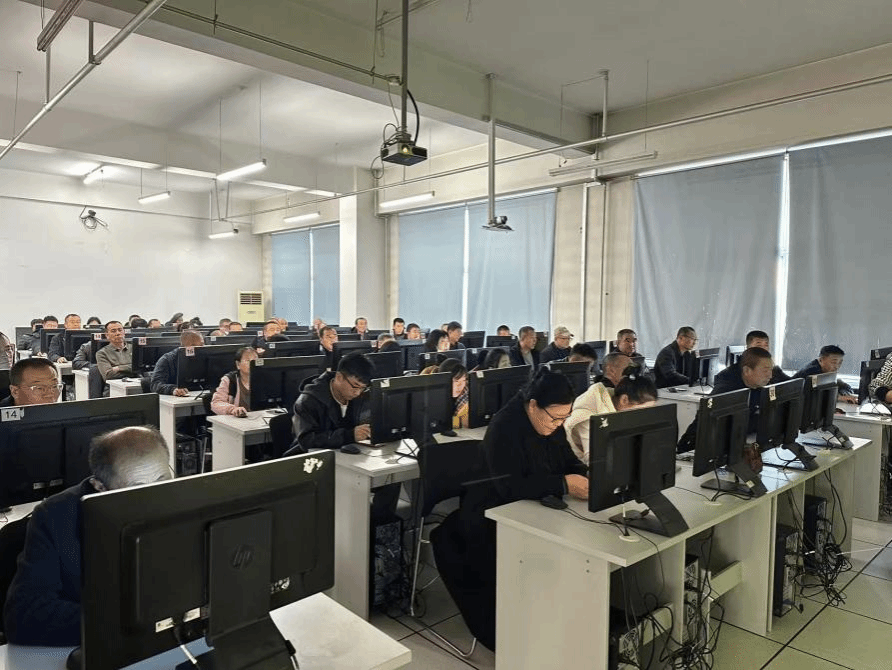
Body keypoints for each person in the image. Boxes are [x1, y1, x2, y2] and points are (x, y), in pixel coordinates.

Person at [2, 426, 171, 646]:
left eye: (162, 481)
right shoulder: (56, 517)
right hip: (101, 647)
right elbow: (23, 616)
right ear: (99, 487)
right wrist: (126, 620)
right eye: (136, 489)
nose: (155, 501)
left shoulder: (185, 499)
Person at [678, 347, 776, 454]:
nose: (770, 375)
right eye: (765, 370)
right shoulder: (726, 391)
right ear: (747, 370)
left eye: (771, 370)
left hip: (730, 447)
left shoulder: (757, 386)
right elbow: (716, 427)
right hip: (698, 450)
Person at [565, 368, 658, 464]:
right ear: (624, 400)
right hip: (578, 467)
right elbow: (595, 461)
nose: (644, 416)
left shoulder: (615, 405)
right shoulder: (588, 418)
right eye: (642, 410)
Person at [287, 353, 371, 451]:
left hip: (345, 453)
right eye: (355, 386)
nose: (357, 393)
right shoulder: (308, 401)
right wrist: (349, 435)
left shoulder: (360, 396)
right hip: (309, 457)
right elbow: (307, 441)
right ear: (339, 377)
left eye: (362, 388)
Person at [150, 330, 204, 396]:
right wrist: (173, 389)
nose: (200, 349)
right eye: (194, 346)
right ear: (183, 346)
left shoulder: (207, 357)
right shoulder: (167, 360)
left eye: (202, 345)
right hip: (179, 398)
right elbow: (155, 385)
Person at [211, 347, 258, 417]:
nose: (252, 364)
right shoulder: (229, 380)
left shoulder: (264, 378)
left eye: (255, 361)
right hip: (237, 420)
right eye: (248, 361)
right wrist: (232, 409)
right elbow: (216, 403)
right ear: (238, 364)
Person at [422, 358, 468, 429]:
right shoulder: (430, 397)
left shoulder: (465, 394)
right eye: (456, 381)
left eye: (463, 380)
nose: (460, 385)